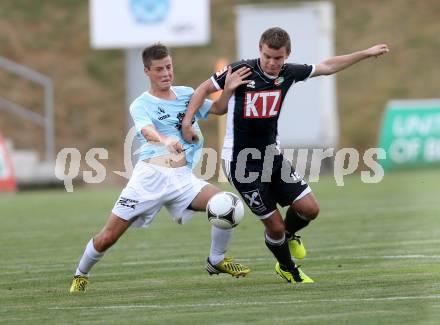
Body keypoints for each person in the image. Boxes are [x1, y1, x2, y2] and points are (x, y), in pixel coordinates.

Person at [181, 27, 390, 284]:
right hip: (240, 164)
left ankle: (289, 236)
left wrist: (366, 53)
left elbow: (327, 66)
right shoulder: (240, 70)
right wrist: (188, 123)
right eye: (268, 56)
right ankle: (288, 268)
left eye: (278, 58)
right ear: (260, 50)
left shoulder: (289, 73)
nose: (272, 62)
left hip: (272, 157)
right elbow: (202, 89)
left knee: (310, 209)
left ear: (286, 55)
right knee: (275, 227)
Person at [69, 43, 253, 292]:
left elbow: (218, 109)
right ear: (147, 72)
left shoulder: (187, 94)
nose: (166, 73)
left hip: (182, 179)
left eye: (168, 67)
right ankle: (81, 274)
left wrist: (228, 90)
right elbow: (146, 129)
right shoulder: (141, 104)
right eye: (159, 69)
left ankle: (216, 260)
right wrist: (165, 140)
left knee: (227, 204)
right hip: (149, 179)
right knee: (108, 237)